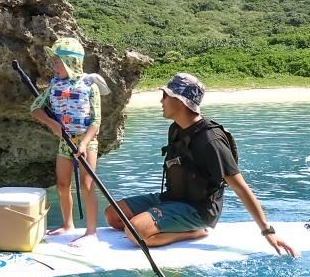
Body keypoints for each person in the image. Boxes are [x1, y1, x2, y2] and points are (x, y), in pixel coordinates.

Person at [103, 73, 297, 256]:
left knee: (134, 232)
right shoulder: (175, 129)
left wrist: (267, 231)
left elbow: (240, 187)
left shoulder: (210, 140)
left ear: (180, 100)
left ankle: (193, 232)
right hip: (172, 198)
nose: (161, 101)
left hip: (198, 209)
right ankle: (164, 224)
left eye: (165, 96)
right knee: (113, 214)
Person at [30, 37, 108, 246]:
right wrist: (52, 124)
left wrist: (83, 144)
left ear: (69, 63)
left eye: (56, 62)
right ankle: (68, 224)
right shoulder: (54, 85)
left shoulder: (89, 85)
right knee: (62, 185)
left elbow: (96, 121)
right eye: (53, 62)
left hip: (86, 141)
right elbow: (35, 109)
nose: (53, 66)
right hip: (65, 142)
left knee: (87, 184)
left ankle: (91, 233)